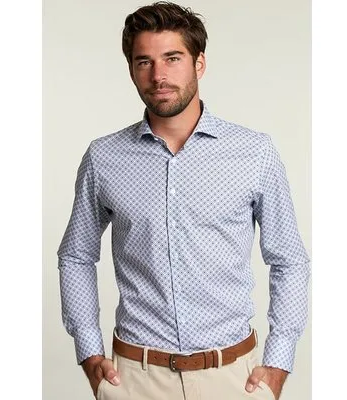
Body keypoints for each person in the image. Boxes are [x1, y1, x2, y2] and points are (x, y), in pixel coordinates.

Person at [57, 2, 310, 399]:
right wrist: (90, 354)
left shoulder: (254, 153)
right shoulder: (104, 158)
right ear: (131, 70)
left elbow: (289, 259)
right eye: (144, 62)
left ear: (199, 63)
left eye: (172, 58)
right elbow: (76, 255)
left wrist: (278, 363)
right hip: (136, 380)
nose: (158, 75)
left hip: (233, 378)